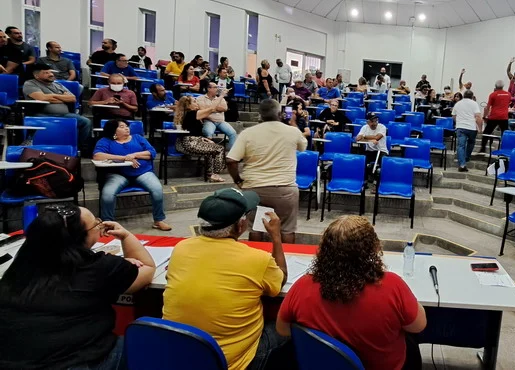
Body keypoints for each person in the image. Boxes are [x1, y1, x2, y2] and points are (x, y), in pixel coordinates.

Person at [0, 205, 155, 369]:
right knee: (147, 347)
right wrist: (126, 236)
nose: (100, 225)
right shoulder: (98, 268)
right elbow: (146, 268)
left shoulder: (20, 266)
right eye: (96, 224)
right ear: (80, 237)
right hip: (72, 362)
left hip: (11, 361)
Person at [277, 215, 426, 370]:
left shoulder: (302, 286)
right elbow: (418, 326)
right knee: (411, 347)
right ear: (374, 249)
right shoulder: (392, 285)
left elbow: (283, 329)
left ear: (323, 250)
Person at [162, 188, 288, 370]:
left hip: (178, 358)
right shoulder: (257, 259)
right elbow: (281, 278)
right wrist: (276, 237)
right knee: (286, 328)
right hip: (229, 363)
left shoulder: (181, 248)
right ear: (240, 225)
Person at [227, 100, 307, 244]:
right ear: (280, 113)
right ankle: (287, 256)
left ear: (260, 115)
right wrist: (293, 122)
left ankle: (256, 256)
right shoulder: (293, 131)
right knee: (287, 229)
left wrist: (238, 180)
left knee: (256, 228)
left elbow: (231, 160)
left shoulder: (247, 133)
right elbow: (302, 147)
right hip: (285, 189)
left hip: (254, 188)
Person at [93, 119, 171, 231]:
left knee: (157, 189)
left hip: (142, 172)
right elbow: (97, 156)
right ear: (113, 130)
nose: (126, 128)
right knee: (107, 194)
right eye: (122, 126)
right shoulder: (105, 141)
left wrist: (134, 155)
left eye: (126, 126)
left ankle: (158, 220)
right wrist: (124, 158)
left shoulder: (137, 138)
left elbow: (151, 153)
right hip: (118, 174)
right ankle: (108, 223)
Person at [22, 65, 92, 145]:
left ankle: (79, 147)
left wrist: (51, 96)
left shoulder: (58, 85)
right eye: (46, 73)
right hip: (42, 114)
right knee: (52, 124)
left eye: (51, 72)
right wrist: (63, 98)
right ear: (36, 76)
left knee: (86, 122)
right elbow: (42, 98)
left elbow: (73, 98)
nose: (51, 74)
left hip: (64, 114)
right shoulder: (30, 84)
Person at [174, 96, 227, 182]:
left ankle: (210, 174)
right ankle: (215, 174)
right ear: (189, 105)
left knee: (212, 149)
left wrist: (205, 139)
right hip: (189, 143)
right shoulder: (192, 113)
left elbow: (193, 132)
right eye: (194, 101)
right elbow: (212, 108)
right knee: (219, 149)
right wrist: (221, 95)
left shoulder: (187, 113)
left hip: (187, 142)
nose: (197, 103)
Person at [197, 82, 237, 149]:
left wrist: (210, 109)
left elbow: (224, 108)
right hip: (208, 120)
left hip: (221, 121)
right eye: (215, 87)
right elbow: (202, 109)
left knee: (233, 133)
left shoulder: (221, 98)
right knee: (208, 132)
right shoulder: (200, 98)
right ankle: (208, 150)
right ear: (209, 89)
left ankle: (231, 152)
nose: (217, 89)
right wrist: (215, 108)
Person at [452, 90, 482, 172]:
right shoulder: (474, 104)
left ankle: (462, 164)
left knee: (461, 146)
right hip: (472, 127)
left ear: (463, 96)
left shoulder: (458, 104)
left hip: (461, 127)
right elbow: (478, 116)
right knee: (471, 143)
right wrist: (480, 128)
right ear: (472, 96)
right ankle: (466, 157)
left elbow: (454, 116)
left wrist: (458, 122)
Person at [479, 80, 512, 154]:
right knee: (505, 134)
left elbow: (487, 107)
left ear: (495, 86)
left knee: (486, 132)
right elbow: (508, 103)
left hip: (494, 116)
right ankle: (505, 148)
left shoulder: (493, 95)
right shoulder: (508, 94)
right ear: (503, 86)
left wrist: (484, 116)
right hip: (504, 117)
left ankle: (483, 148)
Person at [356, 113, 388, 180]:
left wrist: (364, 136)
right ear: (368, 122)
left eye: (376, 120)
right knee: (361, 161)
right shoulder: (364, 127)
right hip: (369, 151)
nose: (375, 123)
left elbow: (377, 137)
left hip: (381, 150)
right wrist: (370, 140)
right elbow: (357, 139)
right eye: (372, 121)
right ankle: (364, 180)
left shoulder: (382, 127)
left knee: (384, 163)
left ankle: (378, 182)